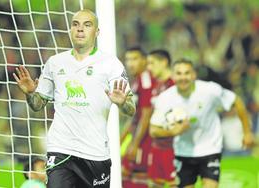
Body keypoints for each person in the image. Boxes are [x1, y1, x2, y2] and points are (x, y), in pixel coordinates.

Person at [13, 9, 136, 188]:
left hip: (95, 153)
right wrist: (30, 93)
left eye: (87, 25)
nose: (80, 29)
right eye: (76, 24)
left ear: (97, 32)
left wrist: (123, 102)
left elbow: (131, 109)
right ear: (70, 30)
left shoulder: (111, 64)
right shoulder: (55, 63)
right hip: (61, 149)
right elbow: (38, 105)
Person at [150, 58, 254, 188]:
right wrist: (172, 131)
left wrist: (247, 132)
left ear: (194, 75)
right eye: (179, 73)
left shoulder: (210, 90)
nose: (183, 77)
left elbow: (236, 101)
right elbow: (153, 130)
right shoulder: (165, 98)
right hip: (183, 151)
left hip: (210, 148)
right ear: (173, 75)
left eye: (187, 73)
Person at [121, 47, 155, 188]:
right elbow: (135, 116)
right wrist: (122, 138)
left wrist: (135, 144)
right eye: (128, 59)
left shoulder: (145, 81)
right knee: (123, 176)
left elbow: (146, 115)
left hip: (145, 140)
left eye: (134, 59)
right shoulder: (136, 81)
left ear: (144, 60)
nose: (130, 63)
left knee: (135, 179)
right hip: (137, 137)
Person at [146, 49, 176, 187]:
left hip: (172, 148)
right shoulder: (156, 85)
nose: (149, 67)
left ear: (164, 62)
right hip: (156, 146)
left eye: (152, 63)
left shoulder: (175, 85)